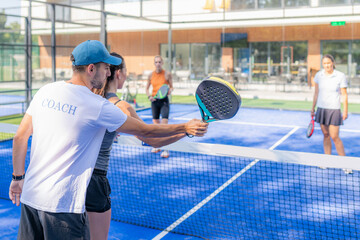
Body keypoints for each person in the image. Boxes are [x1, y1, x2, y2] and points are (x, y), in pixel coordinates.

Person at [8, 40, 208, 240]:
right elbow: (147, 132)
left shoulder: (46, 91)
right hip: (63, 204)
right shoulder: (98, 106)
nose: (108, 72)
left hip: (31, 198)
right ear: (91, 68)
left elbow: (20, 137)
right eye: (105, 67)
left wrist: (18, 178)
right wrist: (184, 128)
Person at [86, 53, 185, 240]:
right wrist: (186, 130)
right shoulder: (122, 107)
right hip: (95, 181)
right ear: (118, 74)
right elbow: (152, 138)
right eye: (125, 72)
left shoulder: (89, 98)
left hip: (73, 177)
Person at [311, 54, 350, 174]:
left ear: (332, 63)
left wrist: (345, 110)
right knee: (326, 135)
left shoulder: (340, 76)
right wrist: (313, 108)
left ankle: (345, 164)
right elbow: (316, 93)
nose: (327, 65)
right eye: (324, 63)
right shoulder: (319, 75)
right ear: (323, 64)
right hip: (322, 109)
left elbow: (344, 94)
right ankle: (327, 161)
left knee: (334, 136)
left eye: (329, 63)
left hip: (334, 110)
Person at [146, 55, 174, 158]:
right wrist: (149, 97)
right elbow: (147, 88)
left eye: (159, 62)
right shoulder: (150, 75)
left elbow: (171, 87)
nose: (158, 64)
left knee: (164, 127)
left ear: (162, 63)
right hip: (154, 102)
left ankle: (166, 149)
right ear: (154, 64)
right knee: (156, 127)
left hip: (164, 102)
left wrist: (170, 91)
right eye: (156, 62)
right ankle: (157, 146)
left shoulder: (167, 74)